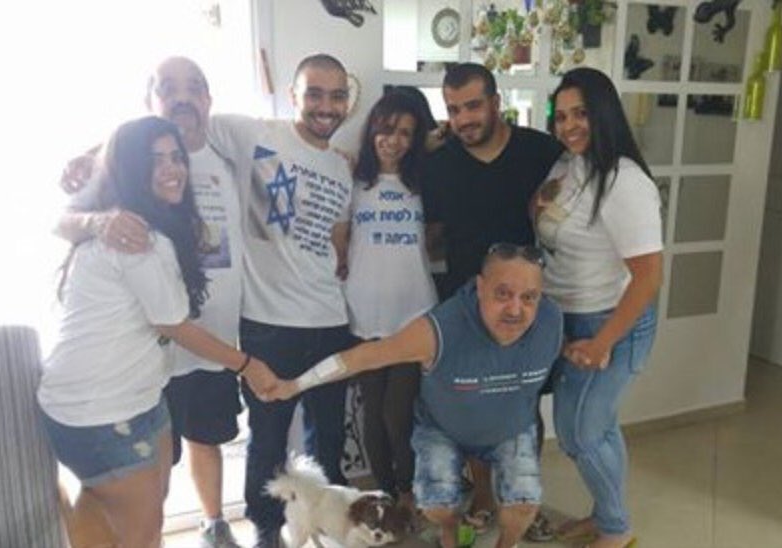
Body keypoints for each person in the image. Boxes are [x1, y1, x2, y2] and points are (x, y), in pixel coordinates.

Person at [38, 116, 280, 548]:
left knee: (147, 502)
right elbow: (174, 326)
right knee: (144, 532)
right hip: (99, 411)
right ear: (132, 168)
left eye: (176, 157)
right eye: (155, 161)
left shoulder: (148, 223)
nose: (172, 169)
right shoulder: (137, 237)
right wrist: (248, 364)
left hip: (138, 398)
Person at [267, 243, 563, 548]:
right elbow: (365, 357)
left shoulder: (551, 322)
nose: (515, 310)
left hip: (510, 426)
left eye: (529, 297)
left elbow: (571, 346)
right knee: (437, 505)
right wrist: (295, 385)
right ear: (480, 287)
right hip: (444, 429)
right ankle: (449, 531)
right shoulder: (438, 331)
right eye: (503, 294)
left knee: (524, 503)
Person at [206, 54, 357, 547]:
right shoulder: (255, 135)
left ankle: (326, 526)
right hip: (268, 325)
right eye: (314, 93)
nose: (326, 106)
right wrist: (99, 158)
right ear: (294, 96)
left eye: (337, 96)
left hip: (330, 322)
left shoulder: (342, 168)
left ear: (348, 101)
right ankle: (268, 529)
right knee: (268, 439)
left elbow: (337, 240)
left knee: (328, 437)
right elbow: (177, 124)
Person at [420, 62, 563, 541]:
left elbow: (577, 194)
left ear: (496, 102)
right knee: (470, 407)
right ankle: (482, 494)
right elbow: (433, 237)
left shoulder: (540, 151)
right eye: (454, 109)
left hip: (525, 307)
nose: (464, 119)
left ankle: (524, 501)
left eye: (473, 106)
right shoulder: (440, 164)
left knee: (523, 406)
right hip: (465, 306)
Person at [534, 67, 663, 548]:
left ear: (604, 113)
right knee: (599, 426)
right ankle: (605, 516)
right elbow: (548, 222)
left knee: (579, 433)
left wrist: (602, 341)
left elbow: (648, 276)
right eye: (561, 116)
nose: (569, 125)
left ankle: (617, 530)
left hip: (610, 321)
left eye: (581, 113)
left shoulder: (624, 181)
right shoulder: (567, 165)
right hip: (568, 315)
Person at [334, 91, 438, 513]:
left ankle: (408, 489)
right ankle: (386, 495)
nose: (393, 141)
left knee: (399, 414)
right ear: (372, 129)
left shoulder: (424, 183)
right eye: (387, 129)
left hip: (413, 313)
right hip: (363, 314)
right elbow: (339, 237)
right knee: (372, 414)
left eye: (406, 133)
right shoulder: (352, 181)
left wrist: (433, 138)